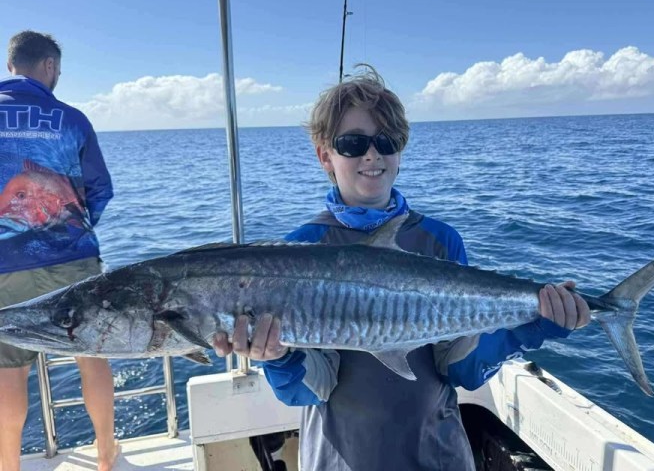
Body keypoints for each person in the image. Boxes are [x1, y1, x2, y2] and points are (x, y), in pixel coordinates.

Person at [212, 65, 590, 470]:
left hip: (436, 455)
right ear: (326, 155)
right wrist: (279, 357)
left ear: (400, 151)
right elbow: (312, 387)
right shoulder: (300, 251)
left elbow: (459, 366)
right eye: (352, 143)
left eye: (386, 141)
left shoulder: (439, 241)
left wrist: (529, 329)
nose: (372, 154)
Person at [0, 30, 118, 471]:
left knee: (8, 370)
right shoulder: (71, 118)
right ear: (48, 66)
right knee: (92, 356)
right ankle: (106, 451)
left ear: (13, 65)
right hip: (72, 259)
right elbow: (101, 189)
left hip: (3, 267)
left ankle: (8, 465)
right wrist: (73, 230)